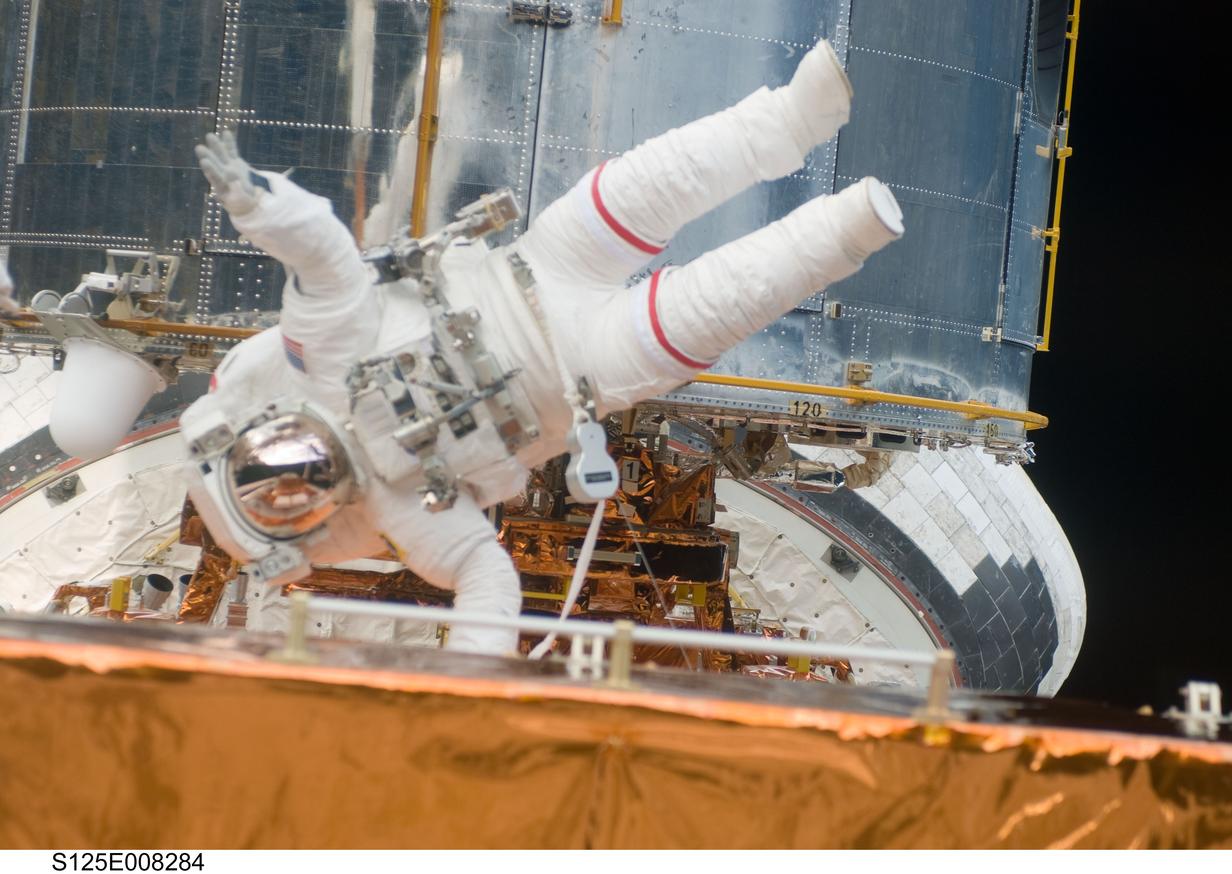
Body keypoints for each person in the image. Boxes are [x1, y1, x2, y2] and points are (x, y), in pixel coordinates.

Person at [181, 40, 904, 654]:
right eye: (287, 495)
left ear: (257, 426)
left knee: (649, 183)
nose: (291, 469)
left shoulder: (322, 358)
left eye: (264, 461)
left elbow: (323, 256)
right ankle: (848, 231)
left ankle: (792, 117)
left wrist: (254, 200)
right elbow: (485, 578)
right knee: (720, 299)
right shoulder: (406, 511)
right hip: (582, 373)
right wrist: (470, 673)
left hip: (540, 268)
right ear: (315, 519)